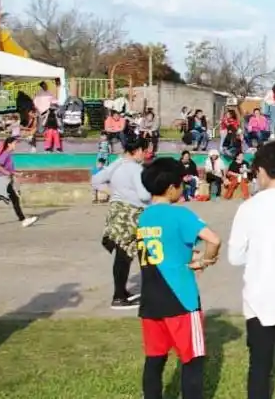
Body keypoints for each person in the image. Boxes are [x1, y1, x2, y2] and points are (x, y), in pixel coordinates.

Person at [136, 158, 222, 399]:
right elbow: (214, 240)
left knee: (154, 360)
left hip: (151, 300)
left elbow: (162, 249)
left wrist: (190, 255)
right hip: (181, 300)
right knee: (192, 360)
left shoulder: (143, 218)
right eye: (181, 184)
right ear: (171, 187)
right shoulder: (180, 214)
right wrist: (206, 260)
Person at [91, 138, 152, 309]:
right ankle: (120, 296)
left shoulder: (116, 165)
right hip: (133, 213)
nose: (145, 154)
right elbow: (144, 196)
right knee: (137, 253)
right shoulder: (137, 169)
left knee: (122, 253)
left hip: (117, 211)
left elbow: (96, 181)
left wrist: (114, 193)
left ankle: (121, 292)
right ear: (138, 150)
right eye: (144, 151)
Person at [0, 137, 39, 229]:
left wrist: (16, 173)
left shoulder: (8, 154)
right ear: (9, 144)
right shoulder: (5, 154)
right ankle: (23, 220)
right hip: (1, 181)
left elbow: (8, 169)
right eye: (14, 143)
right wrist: (7, 173)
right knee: (12, 199)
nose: (16, 145)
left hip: (3, 181)